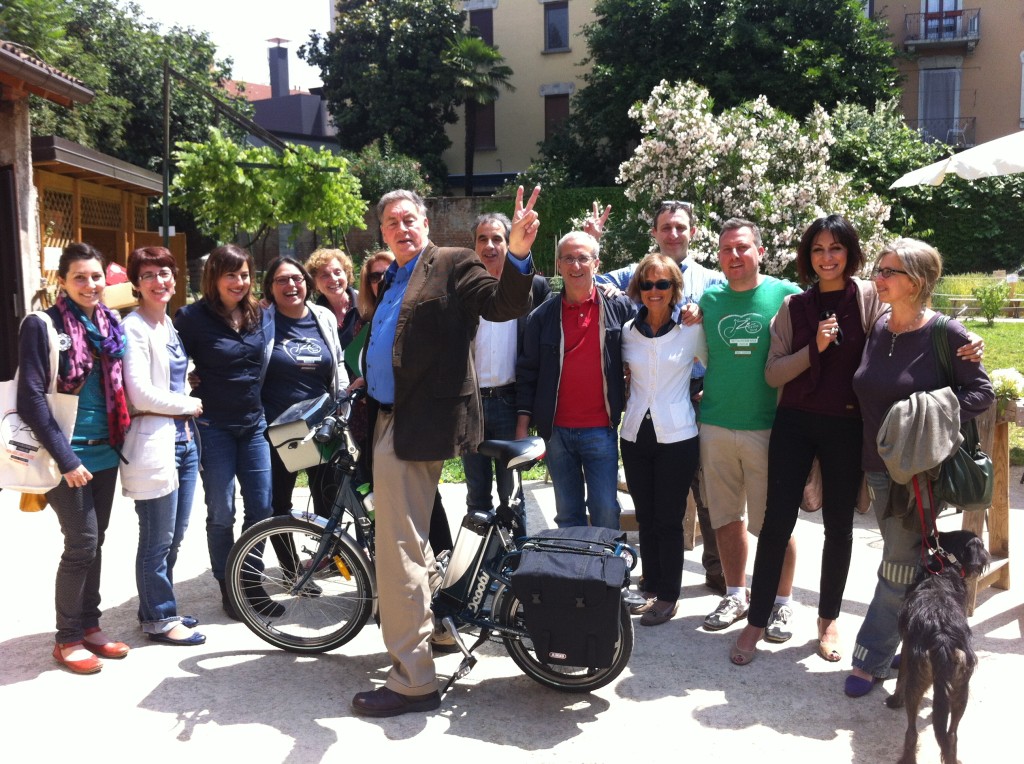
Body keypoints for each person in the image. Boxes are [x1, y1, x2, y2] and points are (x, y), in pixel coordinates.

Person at [351, 187, 539, 718]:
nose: (402, 228)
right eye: (392, 222)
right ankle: (431, 636)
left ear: (427, 222)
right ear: (382, 232)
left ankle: (412, 680)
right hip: (386, 420)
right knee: (410, 543)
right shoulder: (392, 276)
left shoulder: (453, 263)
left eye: (410, 219)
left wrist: (519, 254)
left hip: (418, 425)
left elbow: (502, 304)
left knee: (399, 550)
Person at [729, 216, 882, 665]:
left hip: (846, 425)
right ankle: (757, 619)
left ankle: (828, 619)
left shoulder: (871, 299)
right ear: (807, 256)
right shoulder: (794, 307)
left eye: (836, 248)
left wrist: (957, 342)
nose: (827, 257)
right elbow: (773, 372)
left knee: (839, 527)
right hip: (795, 422)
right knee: (776, 524)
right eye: (818, 249)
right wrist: (814, 346)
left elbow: (906, 329)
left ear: (850, 252)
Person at [845, 238, 993, 697]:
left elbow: (981, 393)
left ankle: (869, 659)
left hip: (921, 476)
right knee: (906, 559)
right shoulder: (880, 325)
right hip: (877, 466)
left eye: (889, 271)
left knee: (898, 567)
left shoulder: (948, 335)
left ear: (919, 281)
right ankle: (913, 647)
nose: (878, 278)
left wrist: (929, 413)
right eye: (878, 269)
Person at [593, 200, 726, 595]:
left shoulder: (713, 281)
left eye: (680, 227)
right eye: (665, 227)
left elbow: (723, 346)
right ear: (654, 232)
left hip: (698, 399)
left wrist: (714, 387)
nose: (673, 234)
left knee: (708, 496)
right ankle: (654, 579)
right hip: (647, 407)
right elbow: (588, 277)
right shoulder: (639, 276)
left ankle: (717, 570)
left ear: (693, 232)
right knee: (654, 508)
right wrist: (592, 240)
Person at [17, 242, 132, 673]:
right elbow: (31, 398)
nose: (90, 284)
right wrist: (66, 459)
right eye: (79, 277)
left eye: (96, 276)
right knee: (81, 543)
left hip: (104, 452)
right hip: (63, 456)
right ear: (62, 281)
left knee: (95, 541)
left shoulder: (110, 324)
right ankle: (66, 638)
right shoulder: (42, 324)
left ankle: (89, 625)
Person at [697, 219, 801, 637]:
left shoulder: (786, 295)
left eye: (742, 248)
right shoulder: (708, 300)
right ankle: (735, 593)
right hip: (716, 424)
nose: (734, 256)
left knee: (776, 522)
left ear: (759, 251)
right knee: (725, 517)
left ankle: (781, 601)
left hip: (769, 427)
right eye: (726, 250)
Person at [174, 244, 280, 620]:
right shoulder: (189, 317)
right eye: (231, 274)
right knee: (221, 511)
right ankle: (227, 587)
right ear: (214, 278)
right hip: (212, 425)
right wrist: (186, 377)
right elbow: (170, 360)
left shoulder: (262, 314)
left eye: (245, 274)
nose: (240, 282)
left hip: (254, 424)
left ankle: (250, 582)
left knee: (262, 509)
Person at [515, 231, 635, 530]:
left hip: (600, 428)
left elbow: (652, 334)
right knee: (567, 513)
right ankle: (573, 574)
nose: (576, 265)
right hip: (556, 432)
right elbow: (527, 373)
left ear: (597, 263)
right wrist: (522, 428)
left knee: (605, 508)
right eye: (569, 258)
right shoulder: (541, 317)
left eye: (583, 258)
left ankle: (606, 572)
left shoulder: (618, 308)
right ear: (558, 264)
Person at [121, 246, 206, 646]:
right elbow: (138, 393)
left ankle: (158, 607)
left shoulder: (168, 325)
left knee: (174, 535)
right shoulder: (133, 326)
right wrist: (188, 402)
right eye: (150, 274)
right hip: (156, 443)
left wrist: (189, 384)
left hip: (185, 441)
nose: (160, 281)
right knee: (156, 538)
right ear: (137, 284)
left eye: (166, 273)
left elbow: (174, 376)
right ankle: (158, 618)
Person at [620, 253, 706, 625]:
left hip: (678, 436)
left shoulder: (692, 330)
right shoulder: (626, 331)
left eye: (663, 284)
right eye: (648, 284)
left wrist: (708, 395)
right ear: (638, 288)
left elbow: (719, 365)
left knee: (670, 518)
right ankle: (650, 584)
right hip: (636, 434)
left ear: (675, 289)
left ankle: (669, 594)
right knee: (646, 515)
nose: (655, 291)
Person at [463, 212, 551, 519]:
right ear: (474, 246)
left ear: (508, 242)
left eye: (497, 238)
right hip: (470, 405)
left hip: (510, 403)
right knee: (476, 496)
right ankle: (482, 565)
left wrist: (609, 287)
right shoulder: (462, 289)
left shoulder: (535, 288)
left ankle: (515, 565)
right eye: (482, 239)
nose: (489, 245)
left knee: (511, 497)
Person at [261, 256, 350, 527]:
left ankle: (328, 559)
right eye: (282, 280)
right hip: (276, 429)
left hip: (320, 428)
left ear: (306, 283)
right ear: (270, 287)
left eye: (297, 278)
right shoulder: (262, 319)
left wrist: (343, 403)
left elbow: (338, 363)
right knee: (277, 504)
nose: (291, 285)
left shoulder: (322, 316)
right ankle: (290, 568)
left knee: (328, 498)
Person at [305, 248, 361, 351]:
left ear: (346, 274)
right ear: (315, 283)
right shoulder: (312, 315)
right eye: (325, 275)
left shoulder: (365, 304)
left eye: (337, 272)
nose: (333, 279)